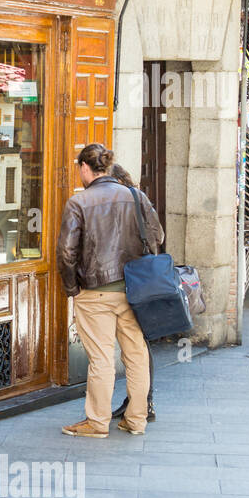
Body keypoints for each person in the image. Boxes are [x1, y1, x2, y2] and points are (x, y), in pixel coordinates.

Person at [57, 144, 164, 438]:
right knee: (136, 355)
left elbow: (66, 252)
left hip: (95, 292)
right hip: (133, 290)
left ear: (84, 168)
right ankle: (136, 420)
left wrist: (72, 288)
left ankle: (97, 422)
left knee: (102, 359)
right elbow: (157, 235)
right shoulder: (135, 196)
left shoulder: (79, 203)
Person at [106, 164, 155, 424]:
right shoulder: (138, 198)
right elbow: (157, 234)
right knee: (139, 345)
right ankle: (142, 404)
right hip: (140, 279)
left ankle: (140, 404)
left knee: (134, 347)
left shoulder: (105, 201)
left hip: (114, 282)